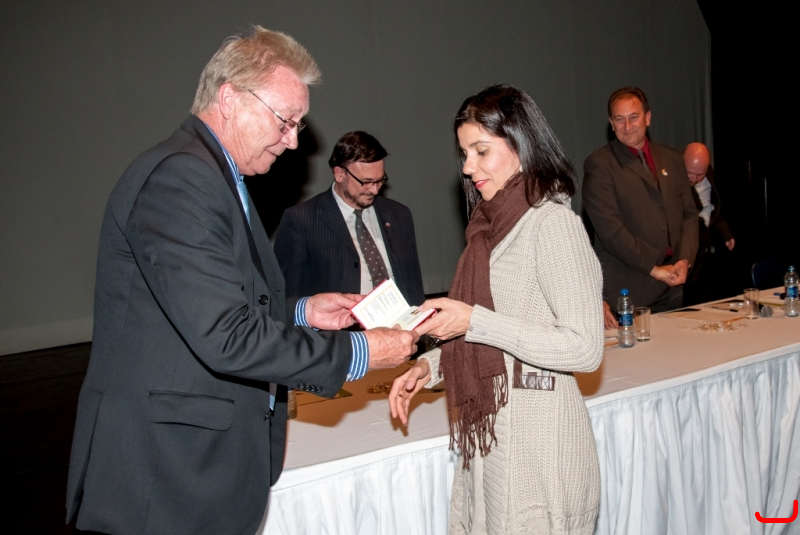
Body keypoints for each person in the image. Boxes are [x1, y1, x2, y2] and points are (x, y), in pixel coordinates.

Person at [65, 27, 417, 535]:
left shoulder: (212, 175)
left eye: (298, 125)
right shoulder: (180, 179)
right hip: (164, 473)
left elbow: (212, 304)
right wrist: (360, 350)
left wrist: (301, 311)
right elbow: (227, 335)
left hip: (188, 467)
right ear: (230, 99)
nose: (293, 141)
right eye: (285, 121)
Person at [390, 85, 604, 534]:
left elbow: (585, 349)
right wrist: (432, 366)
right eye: (464, 153)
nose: (468, 167)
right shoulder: (487, 231)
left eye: (481, 151)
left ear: (522, 147)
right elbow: (489, 339)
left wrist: (475, 321)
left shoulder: (553, 225)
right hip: (494, 438)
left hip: (540, 446)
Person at [274, 131, 425, 305]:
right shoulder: (301, 220)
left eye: (380, 180)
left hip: (399, 319)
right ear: (339, 174)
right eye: (366, 182)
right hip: (341, 322)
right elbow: (288, 296)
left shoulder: (399, 214)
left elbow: (413, 284)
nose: (375, 190)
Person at [583, 87, 698, 314]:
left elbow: (689, 215)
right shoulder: (600, 165)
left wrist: (685, 260)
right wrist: (654, 269)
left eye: (633, 117)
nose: (627, 126)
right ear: (611, 123)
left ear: (648, 117)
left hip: (673, 287)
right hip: (629, 292)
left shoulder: (673, 159)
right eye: (620, 119)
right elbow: (611, 232)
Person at [682, 142, 735, 305]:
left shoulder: (711, 175)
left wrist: (725, 232)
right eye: (690, 173)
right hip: (687, 246)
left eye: (700, 174)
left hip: (706, 247)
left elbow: (713, 209)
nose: (694, 179)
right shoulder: (673, 179)